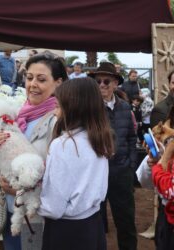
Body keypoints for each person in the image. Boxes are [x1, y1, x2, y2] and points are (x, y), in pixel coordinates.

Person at [0, 51, 68, 250]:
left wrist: (23, 186)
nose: (33, 84)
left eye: (41, 79)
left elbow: (61, 175)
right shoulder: (14, 114)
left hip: (37, 213)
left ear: (58, 83)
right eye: (29, 77)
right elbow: (1, 159)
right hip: (9, 206)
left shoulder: (60, 123)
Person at [39, 77, 114, 250]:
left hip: (66, 230)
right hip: (93, 224)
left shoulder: (63, 145)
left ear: (73, 108)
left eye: (58, 106)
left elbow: (53, 206)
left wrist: (29, 198)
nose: (55, 112)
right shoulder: (99, 139)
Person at [89, 62, 138, 250]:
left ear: (115, 83)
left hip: (121, 173)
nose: (101, 85)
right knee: (95, 224)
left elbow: (132, 138)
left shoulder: (125, 108)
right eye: (98, 81)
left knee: (125, 222)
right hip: (95, 175)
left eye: (106, 81)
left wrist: (131, 164)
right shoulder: (89, 109)